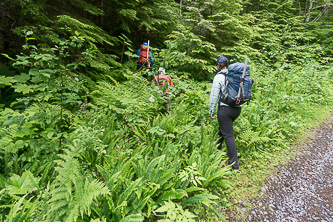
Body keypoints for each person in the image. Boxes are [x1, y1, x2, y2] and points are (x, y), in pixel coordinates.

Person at [209, 56, 241, 170]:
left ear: (218, 65)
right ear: (227, 65)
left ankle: (234, 165)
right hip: (237, 109)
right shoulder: (235, 75)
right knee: (224, 130)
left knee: (228, 135)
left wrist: (211, 109)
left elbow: (214, 95)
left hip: (225, 110)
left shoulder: (219, 77)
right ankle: (216, 151)